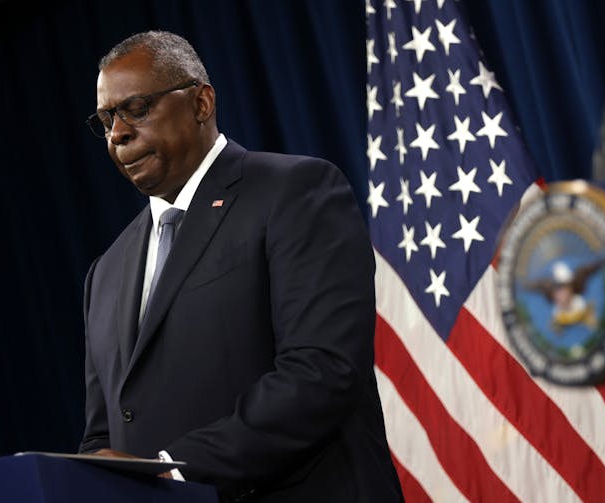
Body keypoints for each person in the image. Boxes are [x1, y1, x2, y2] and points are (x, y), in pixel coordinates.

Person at [79, 31, 403, 502]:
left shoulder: (295, 192)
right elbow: (102, 435)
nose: (118, 134)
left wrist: (175, 472)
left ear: (201, 103)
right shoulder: (105, 273)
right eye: (107, 120)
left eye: (137, 109)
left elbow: (322, 371)